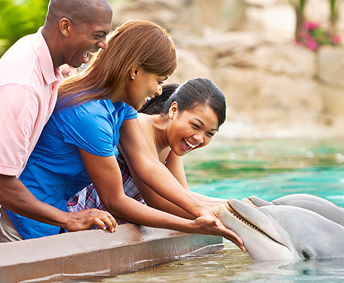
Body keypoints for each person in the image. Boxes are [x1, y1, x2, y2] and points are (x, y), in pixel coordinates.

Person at [5, 21, 245, 251]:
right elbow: (116, 201)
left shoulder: (121, 107)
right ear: (135, 70)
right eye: (158, 80)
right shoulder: (89, 116)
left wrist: (201, 210)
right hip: (22, 221)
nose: (160, 91)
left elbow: (148, 166)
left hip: (51, 216)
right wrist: (192, 225)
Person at [0, 0, 116, 242]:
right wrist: (68, 218)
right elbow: (2, 183)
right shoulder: (22, 87)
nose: (103, 45)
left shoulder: (42, 56)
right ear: (65, 27)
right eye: (98, 35)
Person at [68, 78, 229, 221]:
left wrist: (234, 206)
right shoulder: (138, 124)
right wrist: (224, 216)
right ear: (173, 110)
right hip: (84, 217)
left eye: (209, 134)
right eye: (195, 126)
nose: (199, 138)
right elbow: (158, 202)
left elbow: (183, 195)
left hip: (113, 223)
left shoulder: (173, 143)